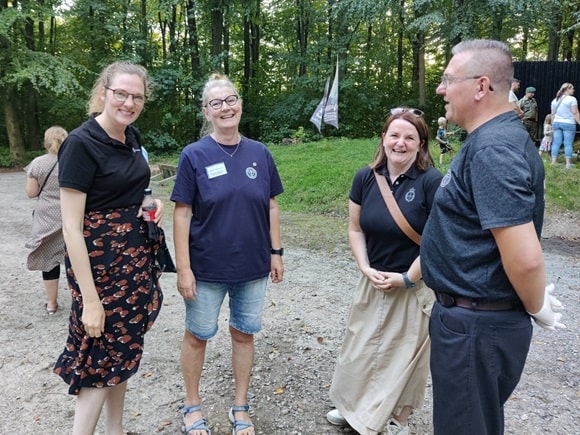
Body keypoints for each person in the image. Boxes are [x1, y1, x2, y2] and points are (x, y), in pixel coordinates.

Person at [422, 39, 565, 435]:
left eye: (448, 79)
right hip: (473, 322)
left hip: (475, 326)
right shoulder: (490, 141)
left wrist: (536, 305)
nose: (441, 88)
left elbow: (526, 258)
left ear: (481, 86)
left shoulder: (493, 149)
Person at [54, 61, 164, 435]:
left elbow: (134, 189)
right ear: (103, 92)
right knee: (99, 356)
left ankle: (116, 430)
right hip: (101, 271)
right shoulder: (81, 143)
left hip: (134, 263)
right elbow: (70, 227)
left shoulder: (130, 137)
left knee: (124, 349)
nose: (129, 102)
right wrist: (91, 300)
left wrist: (150, 203)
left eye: (137, 96)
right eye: (121, 94)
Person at [171, 73, 284, 435]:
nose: (226, 107)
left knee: (244, 334)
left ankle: (241, 406)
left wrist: (276, 252)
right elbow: (182, 213)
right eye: (216, 103)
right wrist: (183, 269)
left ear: (240, 104)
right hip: (205, 268)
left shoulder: (259, 152)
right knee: (198, 335)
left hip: (252, 267)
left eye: (231, 99)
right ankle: (192, 406)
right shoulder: (194, 155)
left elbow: (271, 206)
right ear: (206, 111)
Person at [326, 107, 442, 435]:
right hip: (373, 279)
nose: (400, 143)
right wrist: (364, 267)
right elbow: (355, 229)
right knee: (360, 346)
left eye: (409, 137)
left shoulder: (432, 182)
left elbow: (435, 241)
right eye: (395, 135)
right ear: (383, 138)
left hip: (412, 284)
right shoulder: (365, 177)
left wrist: (408, 278)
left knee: (405, 354)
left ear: (421, 144)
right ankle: (352, 409)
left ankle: (398, 420)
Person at [25, 126, 68, 314]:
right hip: (71, 215)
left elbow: (31, 193)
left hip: (46, 218)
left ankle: (51, 304)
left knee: (49, 260)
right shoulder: (72, 161)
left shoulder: (38, 163)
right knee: (76, 258)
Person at [550, 82, 580, 168]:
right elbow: (575, 112)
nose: (573, 90)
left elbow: (552, 114)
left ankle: (553, 162)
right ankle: (568, 164)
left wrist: (553, 124)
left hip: (556, 123)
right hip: (568, 123)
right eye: (572, 88)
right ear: (567, 89)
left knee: (556, 143)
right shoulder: (572, 99)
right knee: (568, 144)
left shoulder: (555, 100)